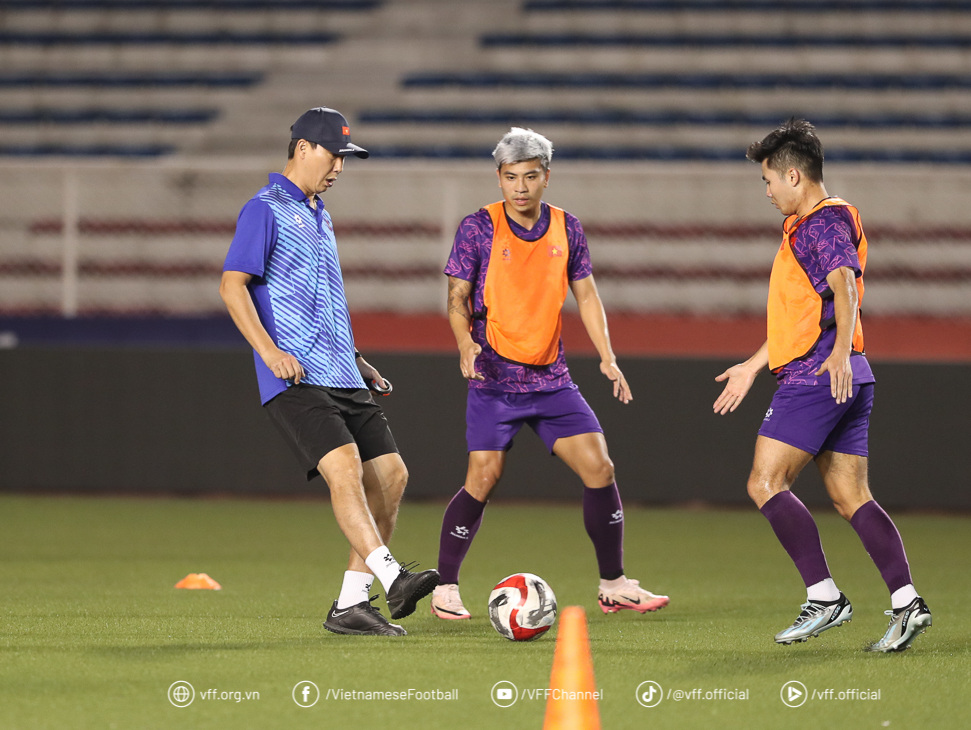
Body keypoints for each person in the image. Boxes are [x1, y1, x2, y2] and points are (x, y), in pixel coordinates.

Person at [430, 127, 668, 620]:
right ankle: (445, 587)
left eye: (530, 176)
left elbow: (587, 295)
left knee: (600, 468)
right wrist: (464, 342)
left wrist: (607, 356)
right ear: (499, 177)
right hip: (494, 377)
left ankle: (614, 584)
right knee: (483, 477)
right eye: (511, 177)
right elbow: (456, 297)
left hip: (551, 379)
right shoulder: (478, 227)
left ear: (546, 177)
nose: (520, 187)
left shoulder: (567, 227)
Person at [713, 118, 932, 652]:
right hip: (847, 372)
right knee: (851, 495)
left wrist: (834, 354)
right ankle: (907, 603)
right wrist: (752, 365)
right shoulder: (816, 222)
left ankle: (825, 597)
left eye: (768, 180)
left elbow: (844, 284)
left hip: (818, 374)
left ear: (793, 176)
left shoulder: (820, 222)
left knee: (765, 483)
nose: (766, 191)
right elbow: (805, 316)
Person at [219, 106, 438, 637]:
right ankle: (394, 578)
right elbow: (231, 285)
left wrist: (356, 357)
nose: (340, 166)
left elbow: (325, 299)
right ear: (303, 149)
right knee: (344, 468)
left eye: (345, 158)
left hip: (342, 371)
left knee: (392, 476)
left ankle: (350, 606)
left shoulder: (320, 212)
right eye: (333, 154)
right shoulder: (263, 209)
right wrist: (269, 351)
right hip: (295, 376)